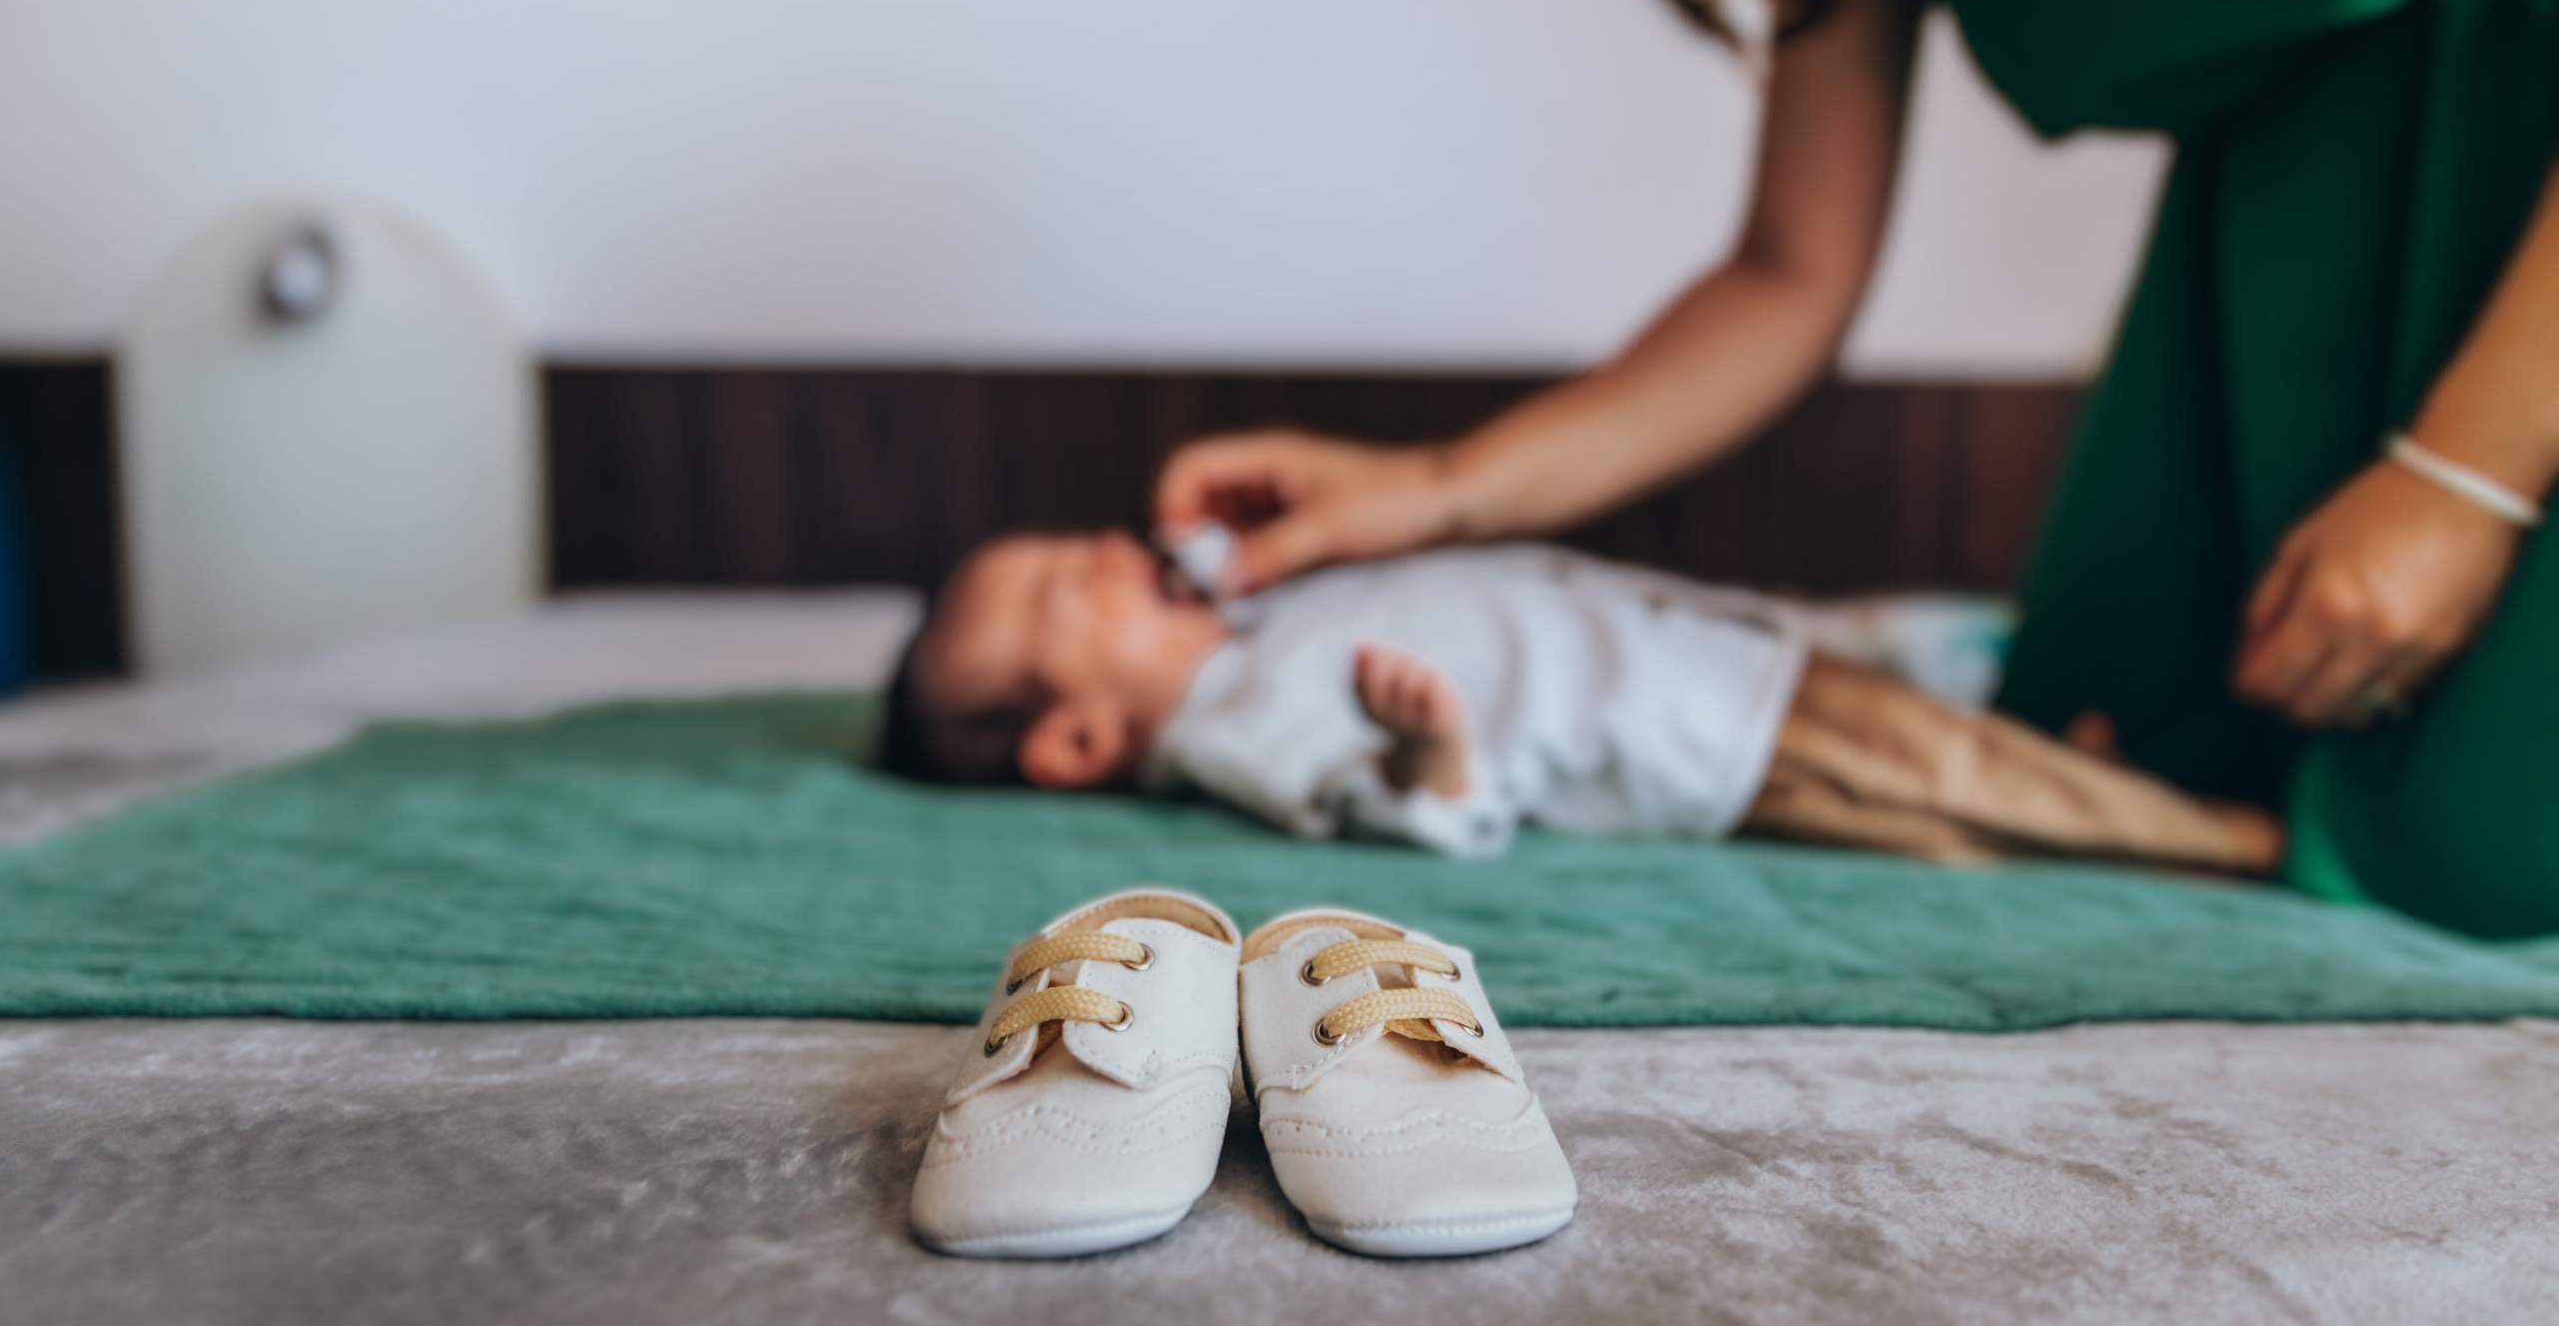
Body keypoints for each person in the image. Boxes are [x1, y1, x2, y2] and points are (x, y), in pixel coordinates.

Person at [1153, 0, 2559, 937]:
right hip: (2271, 310)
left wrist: (2468, 475)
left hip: (2524, 280)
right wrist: (1433, 485)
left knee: (2474, 871)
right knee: (2130, 788)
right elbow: (1789, 275)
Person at [879, 527, 2281, 872]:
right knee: (1945, 790)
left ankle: (2098, 756)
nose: (1106, 550)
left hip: (1700, 656)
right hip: (1697, 737)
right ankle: (2217, 841)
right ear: (1074, 739)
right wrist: (1431, 754)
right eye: (1073, 587)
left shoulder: (1253, 625)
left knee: (1953, 721)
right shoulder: (1241, 729)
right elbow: (1411, 823)